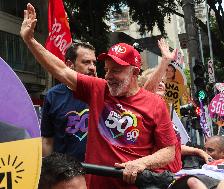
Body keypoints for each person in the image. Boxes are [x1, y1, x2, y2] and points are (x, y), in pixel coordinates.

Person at [21, 4, 177, 189]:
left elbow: (169, 151)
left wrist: (142, 163)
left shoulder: (156, 103)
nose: (108, 75)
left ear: (134, 72)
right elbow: (61, 69)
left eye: (116, 71)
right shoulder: (98, 89)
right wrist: (30, 40)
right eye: (107, 69)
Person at [138, 39, 211, 167]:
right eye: (157, 81)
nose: (161, 84)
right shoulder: (143, 110)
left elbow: (173, 146)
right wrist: (165, 61)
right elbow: (147, 93)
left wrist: (198, 151)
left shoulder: (165, 111)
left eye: (163, 81)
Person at [41, 41, 96, 162]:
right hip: (65, 175)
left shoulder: (104, 93)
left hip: (99, 173)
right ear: (70, 65)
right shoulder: (53, 96)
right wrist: (47, 173)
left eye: (94, 62)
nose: (92, 67)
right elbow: (47, 140)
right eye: (86, 62)